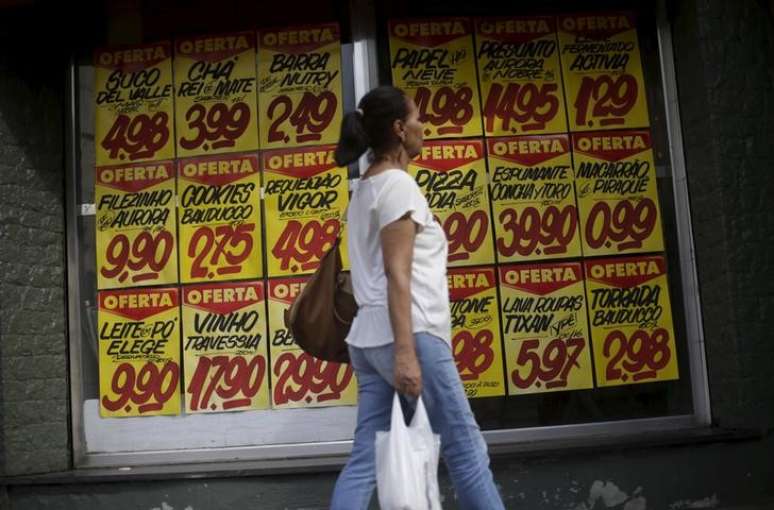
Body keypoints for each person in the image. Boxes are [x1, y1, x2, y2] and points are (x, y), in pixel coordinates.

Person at [329, 85, 505, 510]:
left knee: (366, 459)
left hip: (368, 341)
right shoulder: (398, 188)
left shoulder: (363, 191)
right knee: (466, 450)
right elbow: (397, 274)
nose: (422, 126)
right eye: (416, 118)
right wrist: (406, 354)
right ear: (398, 129)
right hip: (411, 335)